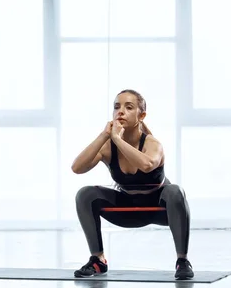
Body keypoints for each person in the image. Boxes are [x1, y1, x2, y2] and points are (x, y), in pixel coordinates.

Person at [71, 89, 194, 280]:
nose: (120, 111)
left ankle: (182, 261)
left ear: (141, 115)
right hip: (127, 209)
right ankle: (98, 260)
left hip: (159, 208)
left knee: (175, 191)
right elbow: (77, 168)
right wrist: (104, 136)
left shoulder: (153, 144)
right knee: (84, 194)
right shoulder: (108, 146)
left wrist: (117, 139)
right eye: (116, 107)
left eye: (129, 107)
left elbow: (146, 165)